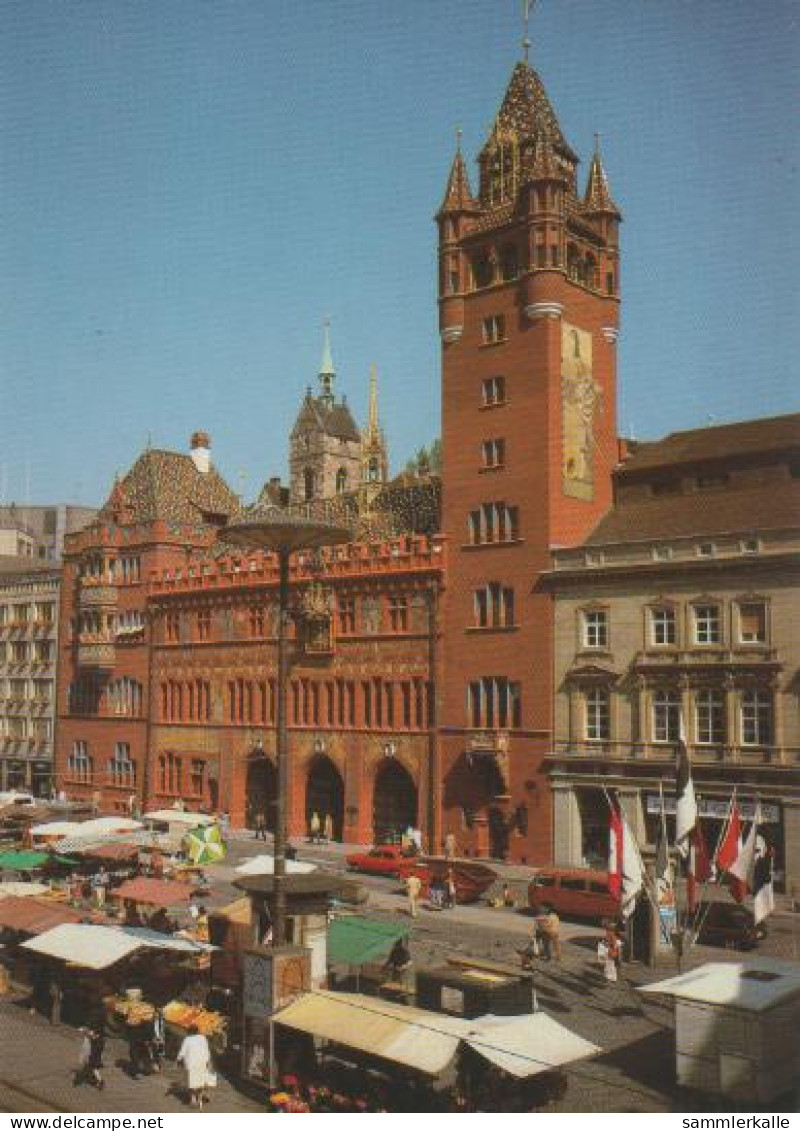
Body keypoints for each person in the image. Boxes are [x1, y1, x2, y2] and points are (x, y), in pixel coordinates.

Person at [177, 1024, 216, 1107]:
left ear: (189, 1031)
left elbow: (182, 1051)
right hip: (202, 1062)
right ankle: (199, 1098)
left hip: (191, 1063)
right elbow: (207, 1050)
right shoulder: (203, 1038)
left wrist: (178, 1059)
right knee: (200, 1081)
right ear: (197, 1031)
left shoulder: (187, 1039)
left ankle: (193, 1099)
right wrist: (209, 1061)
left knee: (192, 1081)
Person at [75, 1024, 105, 1090]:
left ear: (97, 1034)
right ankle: (98, 1081)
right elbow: (87, 1033)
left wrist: (91, 1038)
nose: (92, 1033)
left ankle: (100, 1081)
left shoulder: (98, 1041)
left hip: (94, 1058)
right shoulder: (98, 1039)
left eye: (94, 1032)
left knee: (94, 1069)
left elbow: (94, 1048)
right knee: (93, 1069)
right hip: (95, 1058)